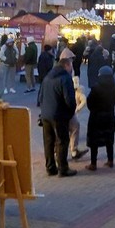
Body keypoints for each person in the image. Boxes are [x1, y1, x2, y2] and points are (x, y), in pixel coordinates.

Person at [38, 48, 78, 177]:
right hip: (59, 115)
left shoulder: (48, 76)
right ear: (67, 65)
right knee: (62, 141)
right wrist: (69, 113)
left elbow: (40, 97)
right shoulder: (65, 78)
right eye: (71, 65)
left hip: (45, 114)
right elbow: (70, 100)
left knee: (48, 142)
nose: (71, 68)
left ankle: (50, 167)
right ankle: (63, 168)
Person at [85, 66, 115, 170]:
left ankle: (93, 163)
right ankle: (110, 160)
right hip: (109, 116)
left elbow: (89, 102)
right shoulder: (114, 87)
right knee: (109, 139)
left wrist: (94, 109)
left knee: (94, 141)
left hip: (96, 117)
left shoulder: (96, 88)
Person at [69, 75, 89, 161]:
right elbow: (84, 101)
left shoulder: (77, 91)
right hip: (70, 113)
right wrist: (78, 109)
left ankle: (56, 152)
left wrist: (78, 108)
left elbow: (83, 101)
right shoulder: (78, 91)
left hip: (64, 112)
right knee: (74, 128)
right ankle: (73, 151)